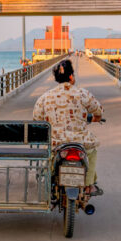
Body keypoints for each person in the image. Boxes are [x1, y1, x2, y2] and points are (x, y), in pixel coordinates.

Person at [33, 58, 104, 194]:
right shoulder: (83, 94)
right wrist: (96, 118)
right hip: (80, 142)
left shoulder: (45, 97)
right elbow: (98, 110)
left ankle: (51, 182)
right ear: (71, 76)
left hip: (56, 144)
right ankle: (88, 185)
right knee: (92, 151)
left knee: (50, 156)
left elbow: (37, 120)